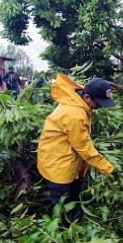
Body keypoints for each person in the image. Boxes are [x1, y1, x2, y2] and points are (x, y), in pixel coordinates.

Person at [37, 75, 116, 222]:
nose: (99, 107)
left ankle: (75, 221)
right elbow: (84, 147)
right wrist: (107, 168)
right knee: (62, 204)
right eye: (98, 103)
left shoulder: (77, 97)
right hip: (58, 163)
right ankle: (63, 233)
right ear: (86, 97)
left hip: (65, 156)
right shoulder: (75, 114)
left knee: (74, 196)